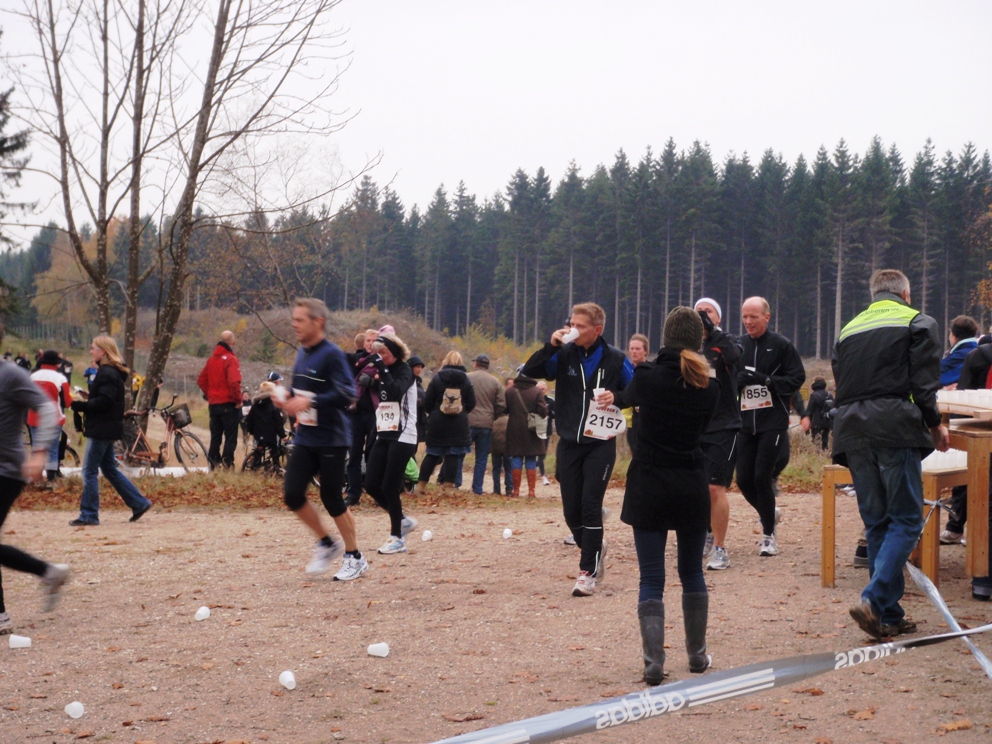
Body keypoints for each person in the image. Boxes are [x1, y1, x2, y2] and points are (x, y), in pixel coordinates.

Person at [833, 270, 949, 639]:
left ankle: (887, 615)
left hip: (851, 430)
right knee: (907, 520)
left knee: (879, 522)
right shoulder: (918, 322)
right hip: (894, 426)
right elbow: (924, 384)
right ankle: (873, 599)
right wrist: (935, 424)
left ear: (874, 294)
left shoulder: (848, 329)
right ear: (905, 293)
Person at [614, 307, 719, 684]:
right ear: (699, 340)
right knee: (692, 572)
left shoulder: (646, 377)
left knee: (651, 578)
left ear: (665, 337)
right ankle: (697, 656)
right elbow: (706, 428)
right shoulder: (709, 385)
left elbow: (624, 398)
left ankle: (653, 661)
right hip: (691, 482)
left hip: (649, 484)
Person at [523, 302, 632, 597]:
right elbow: (529, 373)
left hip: (601, 444)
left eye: (580, 326)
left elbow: (638, 390)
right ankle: (595, 547)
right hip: (570, 442)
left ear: (597, 330)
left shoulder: (615, 358)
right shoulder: (564, 354)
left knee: (590, 506)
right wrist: (551, 345)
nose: (573, 330)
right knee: (572, 513)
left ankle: (588, 572)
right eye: (571, 324)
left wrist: (618, 397)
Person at [273, 298, 366, 581]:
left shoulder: (332, 355)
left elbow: (348, 394)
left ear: (318, 322)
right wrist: (284, 397)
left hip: (332, 438)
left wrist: (310, 400)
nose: (294, 325)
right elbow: (298, 390)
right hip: (306, 436)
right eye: (294, 320)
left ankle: (355, 557)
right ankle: (326, 543)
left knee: (331, 497)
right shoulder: (303, 353)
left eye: (300, 320)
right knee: (292, 494)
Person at [0, 324, 71, 634]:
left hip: (6, 470)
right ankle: (48, 572)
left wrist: (40, 452)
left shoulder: (10, 375)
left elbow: (45, 408)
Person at [735, 297, 806, 557]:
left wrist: (767, 380)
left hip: (772, 423)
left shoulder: (781, 345)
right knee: (743, 480)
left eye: (753, 316)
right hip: (745, 423)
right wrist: (738, 382)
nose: (748, 321)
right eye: (744, 316)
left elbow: (797, 377)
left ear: (767, 317)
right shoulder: (739, 345)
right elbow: (727, 380)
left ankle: (768, 535)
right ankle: (769, 513)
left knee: (761, 477)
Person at [68, 337, 153, 526]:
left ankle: (89, 514)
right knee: (109, 469)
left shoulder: (106, 373)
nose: (91, 352)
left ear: (103, 351)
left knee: (89, 471)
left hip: (101, 429)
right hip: (109, 427)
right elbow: (107, 399)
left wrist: (79, 405)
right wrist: (91, 398)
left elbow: (105, 403)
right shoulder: (112, 373)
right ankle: (139, 503)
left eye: (93, 348)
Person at [693, 298, 742, 571]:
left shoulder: (727, 342)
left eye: (708, 312)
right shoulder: (688, 346)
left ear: (718, 318)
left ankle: (721, 549)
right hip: (695, 425)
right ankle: (705, 533)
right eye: (698, 311)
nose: (702, 315)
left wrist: (713, 332)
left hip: (724, 425)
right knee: (696, 488)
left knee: (714, 487)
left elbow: (735, 357)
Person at [363, 332, 420, 554]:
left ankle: (397, 537)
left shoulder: (405, 371)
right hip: (384, 432)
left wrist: (382, 372)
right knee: (371, 484)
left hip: (404, 435)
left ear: (394, 352)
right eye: (376, 353)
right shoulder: (381, 371)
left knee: (389, 485)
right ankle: (402, 520)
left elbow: (396, 392)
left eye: (383, 353)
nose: (379, 357)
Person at [937, 315, 979, 546]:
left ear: (953, 335)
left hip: (961, 422)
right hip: (980, 422)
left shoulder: (960, 356)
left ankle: (956, 527)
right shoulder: (978, 350)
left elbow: (938, 379)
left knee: (963, 476)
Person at [418, 351, 476, 489]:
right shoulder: (466, 380)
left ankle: (421, 486)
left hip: (438, 421)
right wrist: (461, 411)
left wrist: (434, 412)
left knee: (432, 453)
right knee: (453, 454)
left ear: (445, 360)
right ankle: (449, 486)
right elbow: (472, 402)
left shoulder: (437, 378)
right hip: (458, 422)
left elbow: (427, 401)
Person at [344, 329, 382, 506]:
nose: (370, 343)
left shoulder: (383, 362)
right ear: (364, 342)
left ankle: (375, 492)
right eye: (368, 340)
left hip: (375, 413)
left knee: (373, 455)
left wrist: (376, 381)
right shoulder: (354, 360)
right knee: (354, 455)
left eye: (373, 340)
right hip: (355, 413)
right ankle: (353, 494)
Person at [197, 330, 242, 469]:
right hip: (228, 404)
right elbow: (234, 382)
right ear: (232, 343)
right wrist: (238, 400)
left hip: (214, 404)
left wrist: (210, 394)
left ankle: (213, 464)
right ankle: (227, 465)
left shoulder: (212, 359)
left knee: (215, 437)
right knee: (230, 437)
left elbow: (201, 380)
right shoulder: (231, 359)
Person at [28, 349, 73, 482]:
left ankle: (35, 478)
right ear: (56, 364)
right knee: (53, 448)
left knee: (37, 447)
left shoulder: (32, 376)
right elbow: (67, 401)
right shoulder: (60, 378)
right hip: (54, 419)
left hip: (34, 417)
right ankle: (51, 479)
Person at [504, 368, 548, 498]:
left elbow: (505, 409)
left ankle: (516, 491)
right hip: (532, 428)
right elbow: (543, 411)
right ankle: (531, 492)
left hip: (514, 428)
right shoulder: (537, 391)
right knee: (531, 457)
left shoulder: (510, 391)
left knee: (516, 457)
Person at [466, 354, 506, 495]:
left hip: (468, 421)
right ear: (487, 366)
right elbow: (501, 404)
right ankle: (477, 488)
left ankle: (455, 484)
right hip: (486, 423)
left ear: (476, 364)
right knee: (481, 458)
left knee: (460, 454)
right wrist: (492, 416)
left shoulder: (467, 378)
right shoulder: (495, 382)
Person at [243, 381, 287, 469]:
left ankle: (255, 466)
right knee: (274, 452)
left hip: (258, 434)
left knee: (258, 451)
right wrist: (283, 436)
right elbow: (278, 422)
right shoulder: (273, 405)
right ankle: (276, 467)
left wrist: (251, 431)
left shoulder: (255, 405)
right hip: (270, 434)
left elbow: (250, 420)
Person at [623, 334, 649, 451]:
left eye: (637, 349)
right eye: (631, 348)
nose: (634, 352)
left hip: (647, 421)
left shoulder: (651, 370)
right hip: (629, 423)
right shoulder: (624, 370)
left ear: (645, 351)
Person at [806, 377, 835, 452]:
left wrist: (807, 425)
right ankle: (825, 454)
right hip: (827, 422)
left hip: (816, 423)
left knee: (816, 442)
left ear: (815, 383)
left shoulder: (814, 395)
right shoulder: (829, 395)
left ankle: (818, 456)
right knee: (825, 441)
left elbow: (810, 411)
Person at [490, 407, 513, 496]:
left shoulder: (493, 421)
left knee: (496, 469)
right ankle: (509, 489)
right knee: (508, 469)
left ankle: (496, 490)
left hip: (495, 449)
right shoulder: (509, 421)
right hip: (507, 448)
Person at [536, 381, 555, 485]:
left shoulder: (551, 401)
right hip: (533, 431)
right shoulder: (532, 400)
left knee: (542, 455)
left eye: (542, 389)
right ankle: (543, 476)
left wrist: (548, 412)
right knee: (534, 454)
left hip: (546, 431)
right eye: (538, 389)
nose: (540, 391)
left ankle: (541, 474)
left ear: (546, 390)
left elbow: (556, 414)